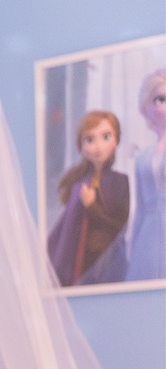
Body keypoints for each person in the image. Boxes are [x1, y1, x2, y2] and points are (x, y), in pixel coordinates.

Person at [47, 110, 130, 286]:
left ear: (116, 140)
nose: (98, 147)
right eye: (90, 140)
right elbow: (67, 227)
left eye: (106, 137)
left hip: (110, 258)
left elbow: (120, 225)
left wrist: (91, 206)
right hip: (80, 258)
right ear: (81, 146)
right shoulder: (78, 183)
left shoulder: (121, 182)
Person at [126, 70, 166, 282]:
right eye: (159, 99)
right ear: (146, 107)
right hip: (148, 236)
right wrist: (133, 245)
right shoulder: (142, 158)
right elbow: (140, 208)